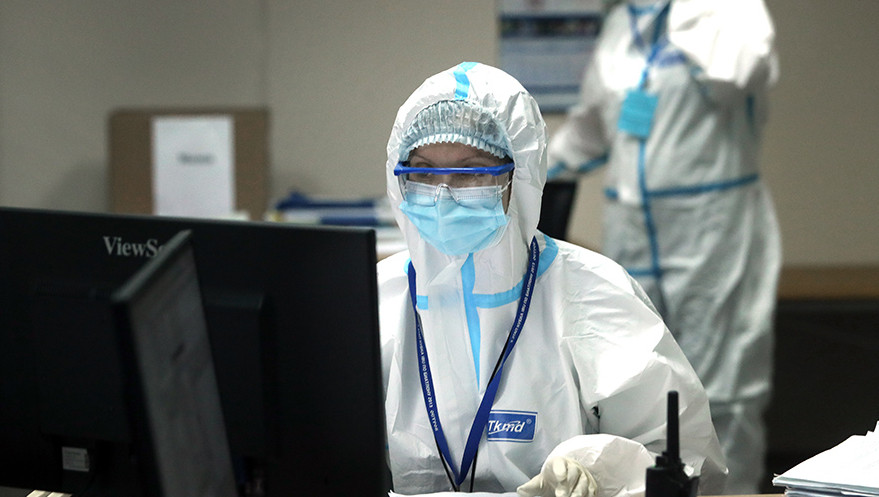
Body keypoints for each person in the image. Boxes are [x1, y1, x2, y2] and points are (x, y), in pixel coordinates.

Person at [378, 61, 727, 497]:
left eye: (472, 172)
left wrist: (604, 473)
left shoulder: (594, 294)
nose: (444, 194)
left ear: (519, 175)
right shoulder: (375, 298)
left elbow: (684, 462)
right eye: (424, 173)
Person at [546, 0, 782, 493]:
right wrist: (522, 170)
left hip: (712, 229)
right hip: (630, 229)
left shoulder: (728, 10)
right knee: (628, 382)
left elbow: (737, 73)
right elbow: (592, 130)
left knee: (724, 387)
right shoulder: (622, 25)